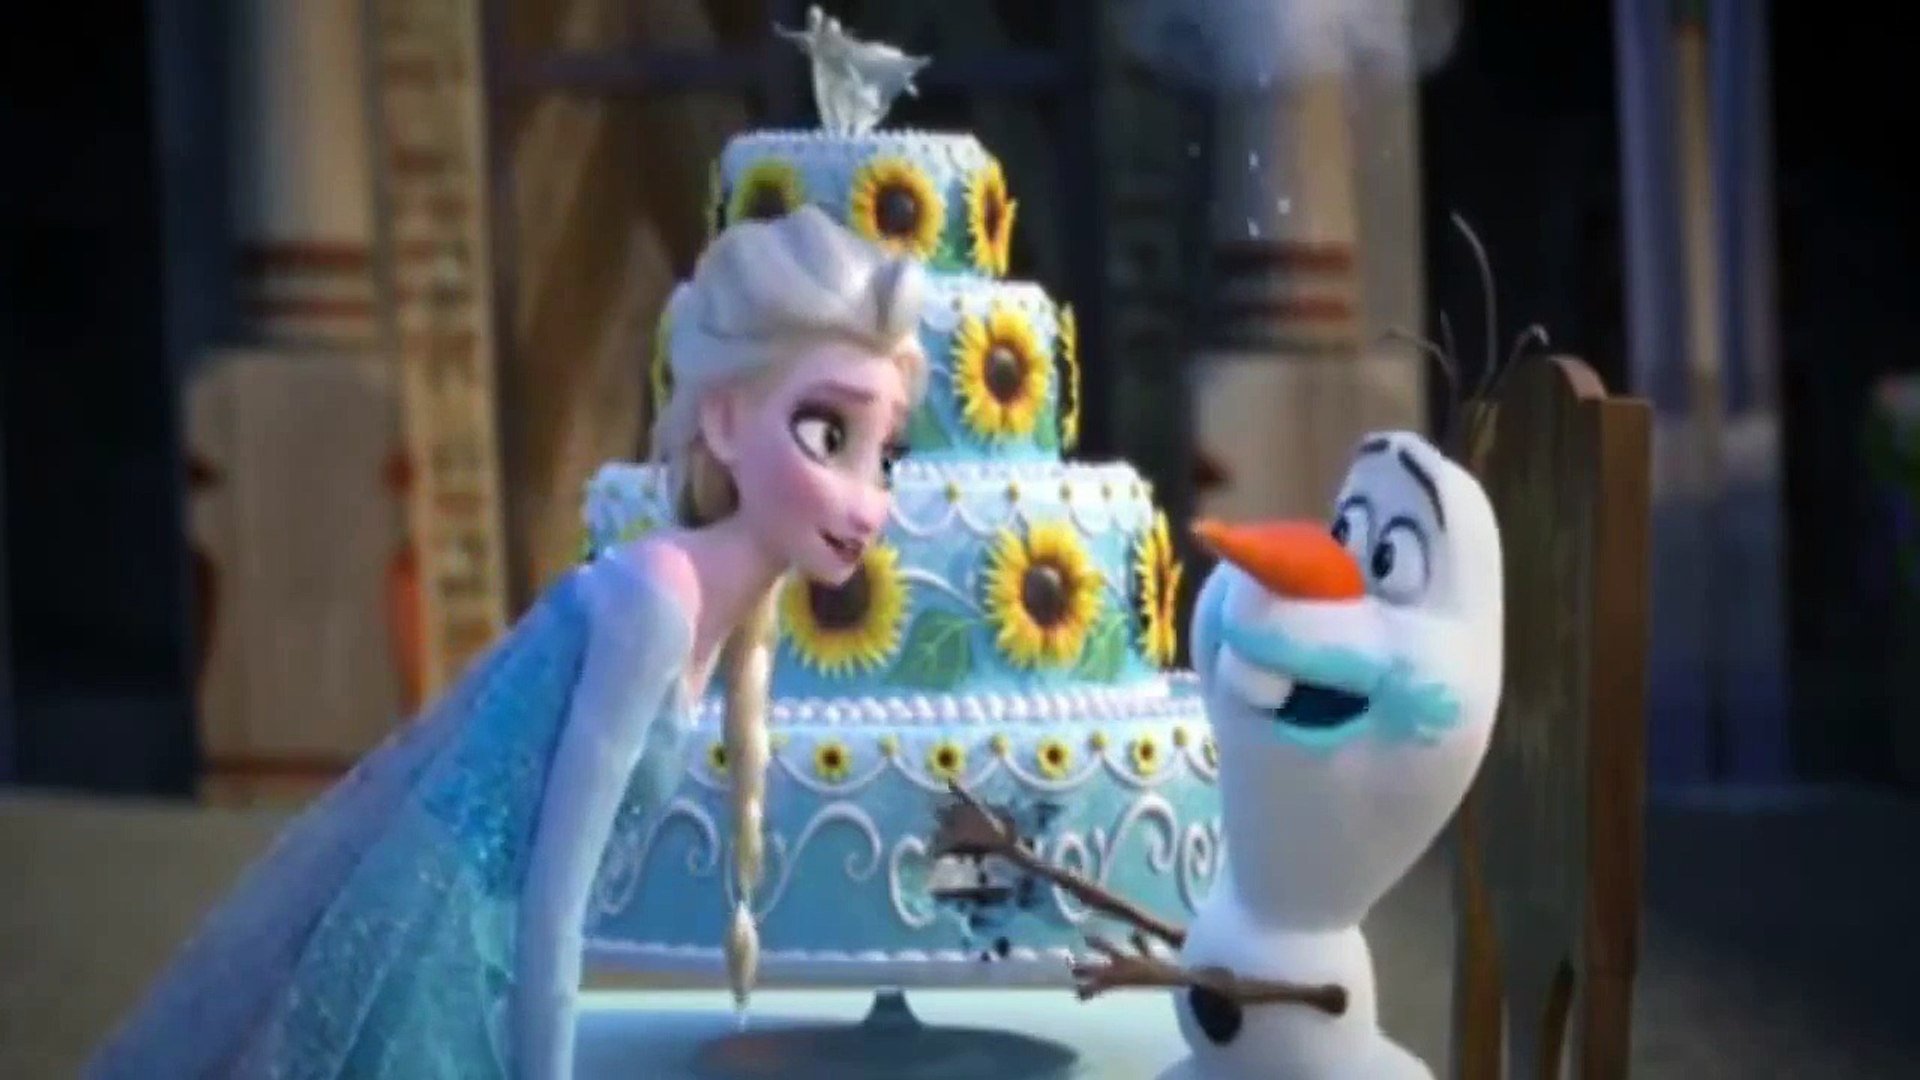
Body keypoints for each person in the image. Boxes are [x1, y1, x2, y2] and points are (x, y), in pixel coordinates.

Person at [86, 204, 929, 1079]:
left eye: (886, 456)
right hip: (440, 969)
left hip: (478, 970)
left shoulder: (715, 610)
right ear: (722, 423)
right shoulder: (656, 600)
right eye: (828, 435)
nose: (867, 502)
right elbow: (555, 899)